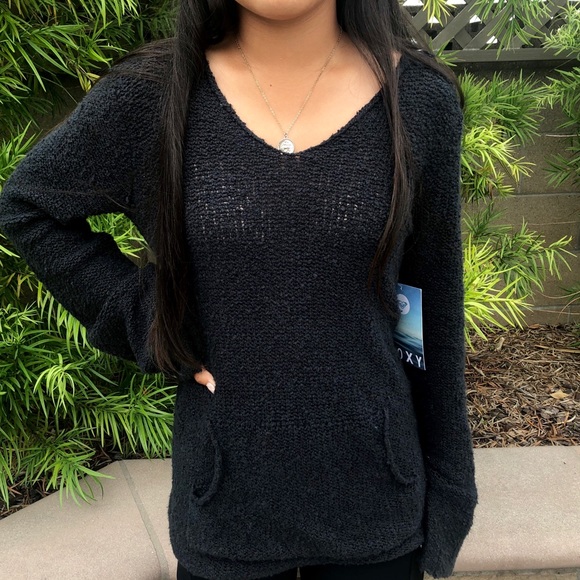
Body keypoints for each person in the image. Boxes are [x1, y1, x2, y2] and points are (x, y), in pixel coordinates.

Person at [0, 0, 479, 579]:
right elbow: (30, 206)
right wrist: (154, 320)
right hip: (223, 505)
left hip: (378, 502)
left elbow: (432, 307)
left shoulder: (419, 100)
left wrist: (452, 487)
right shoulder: (154, 94)